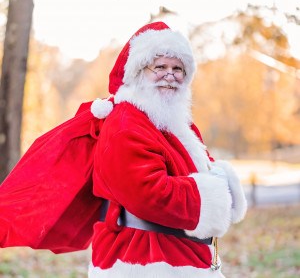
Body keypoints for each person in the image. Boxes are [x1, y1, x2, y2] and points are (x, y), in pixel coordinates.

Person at [0, 22, 247, 278]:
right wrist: (213, 196)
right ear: (140, 72)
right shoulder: (125, 123)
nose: (170, 75)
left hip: (180, 259)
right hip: (143, 261)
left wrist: (221, 178)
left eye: (178, 69)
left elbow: (202, 166)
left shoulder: (177, 123)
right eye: (160, 67)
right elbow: (147, 193)